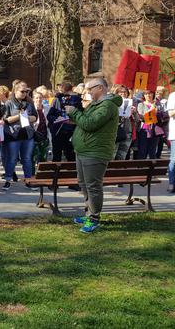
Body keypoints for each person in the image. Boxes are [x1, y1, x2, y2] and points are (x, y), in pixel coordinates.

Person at [67, 78, 122, 233]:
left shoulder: (107, 106)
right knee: (84, 184)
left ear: (100, 88)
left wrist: (75, 112)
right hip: (84, 150)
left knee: (93, 186)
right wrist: (74, 116)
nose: (88, 92)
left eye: (90, 89)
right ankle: (89, 213)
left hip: (95, 152)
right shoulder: (96, 104)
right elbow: (85, 122)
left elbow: (90, 124)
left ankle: (94, 218)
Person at [2, 81, 37, 191]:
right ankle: (8, 180)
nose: (24, 93)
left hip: (27, 135)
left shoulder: (29, 104)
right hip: (13, 136)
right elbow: (6, 119)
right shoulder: (9, 103)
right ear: (15, 91)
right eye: (22, 91)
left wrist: (28, 117)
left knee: (27, 159)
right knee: (12, 159)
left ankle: (28, 180)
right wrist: (19, 116)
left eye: (26, 91)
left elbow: (35, 117)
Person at [136, 89, 162, 159]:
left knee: (152, 151)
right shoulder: (140, 104)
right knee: (142, 151)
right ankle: (141, 168)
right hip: (144, 129)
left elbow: (163, 116)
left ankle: (151, 169)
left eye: (150, 93)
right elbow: (141, 117)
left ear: (153, 94)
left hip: (155, 130)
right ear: (144, 95)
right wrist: (151, 111)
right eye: (146, 94)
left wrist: (158, 113)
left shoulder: (157, 104)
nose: (148, 95)